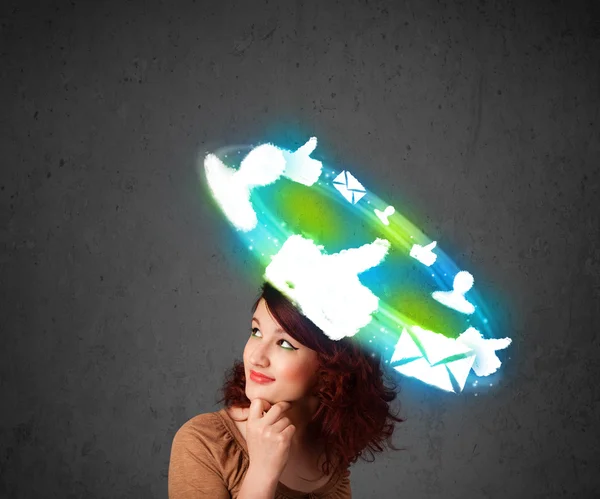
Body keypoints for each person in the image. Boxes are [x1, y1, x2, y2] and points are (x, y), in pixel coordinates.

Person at [168, 281, 404, 498]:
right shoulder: (202, 443)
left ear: (332, 367)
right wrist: (262, 472)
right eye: (256, 331)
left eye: (284, 343)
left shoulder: (329, 460)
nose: (256, 357)